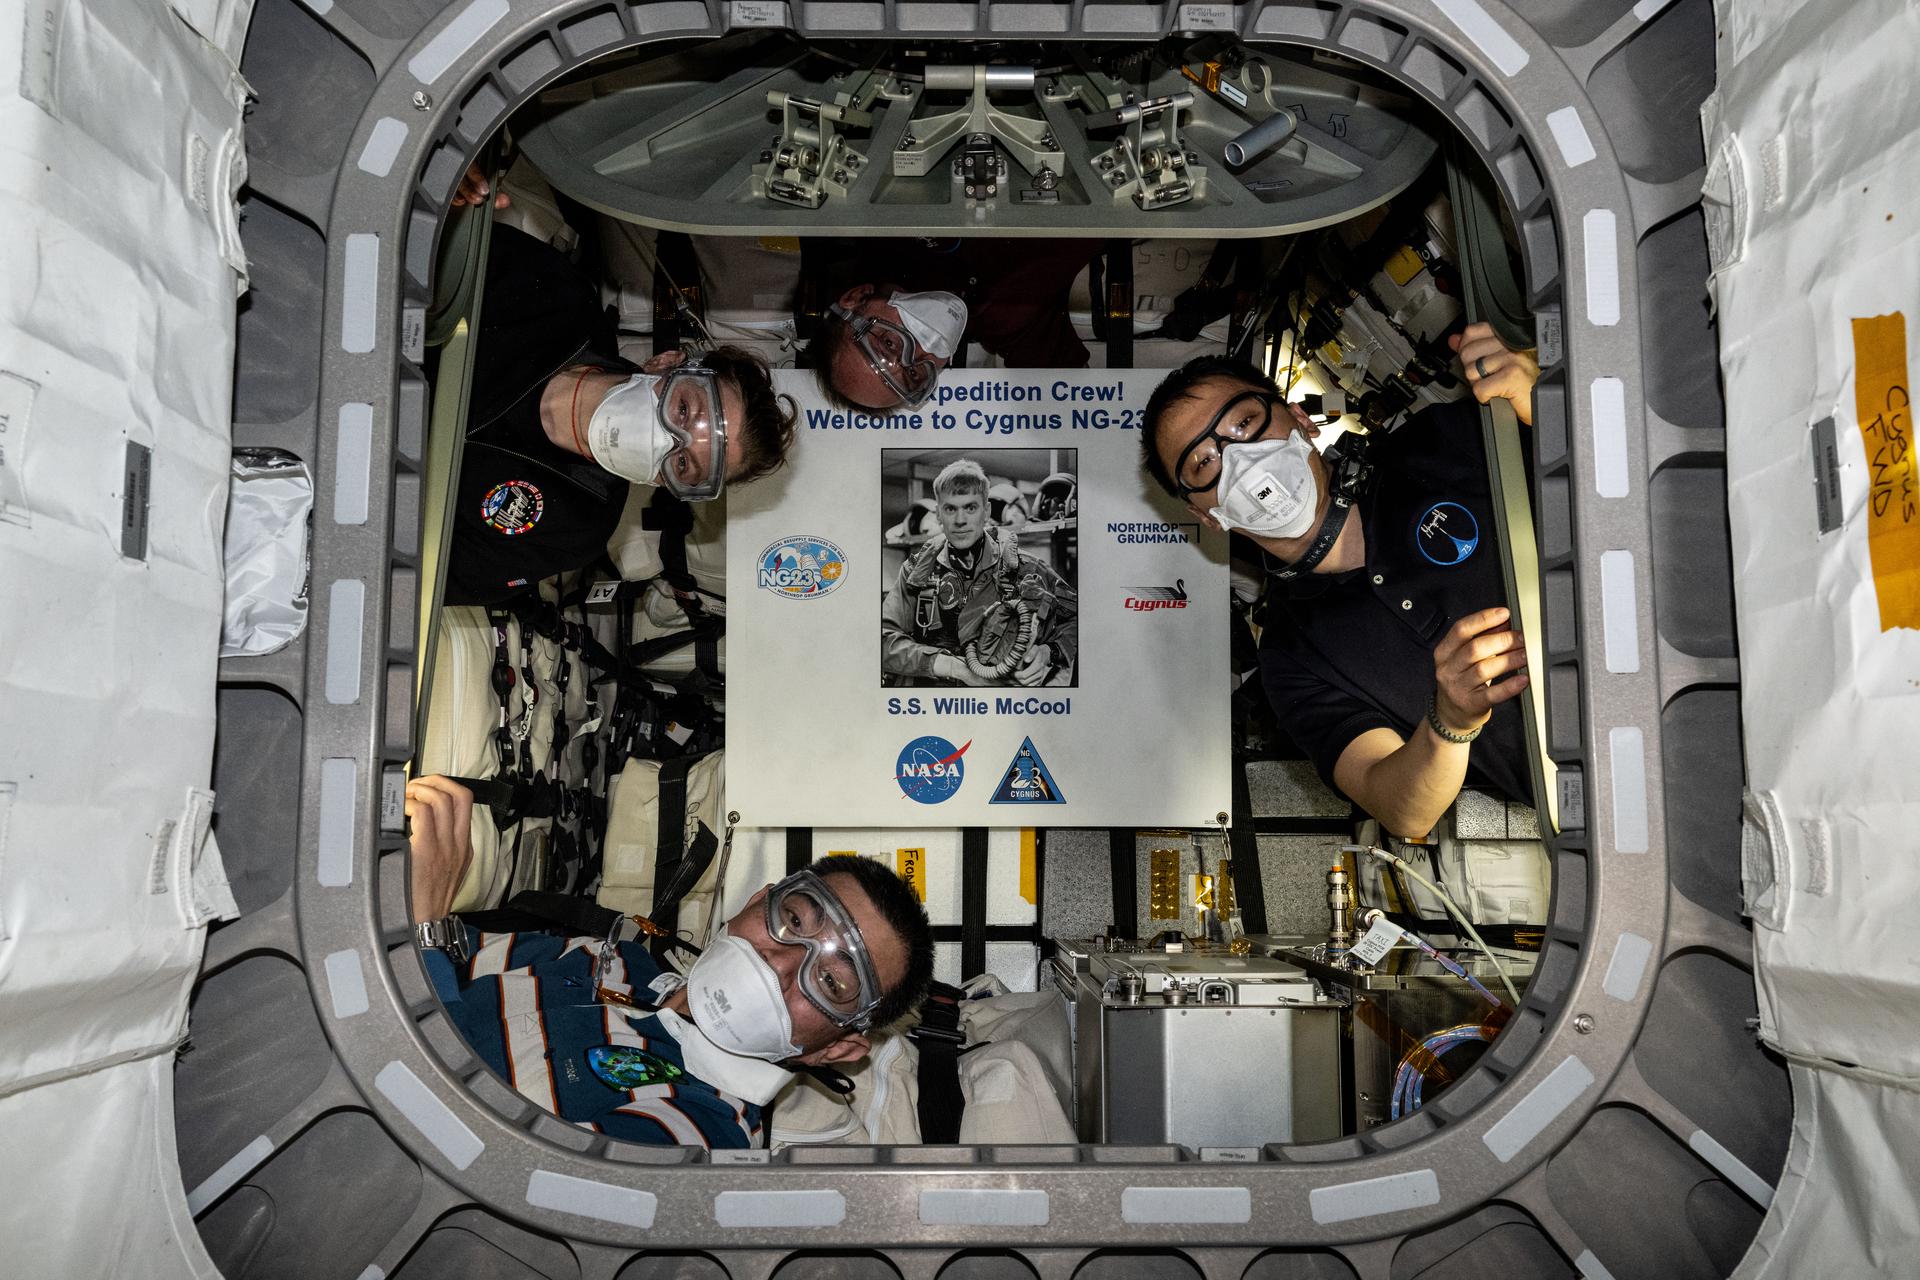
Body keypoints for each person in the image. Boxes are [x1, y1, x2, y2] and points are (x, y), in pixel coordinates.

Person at [1140, 322, 1542, 838]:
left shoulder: (1442, 440)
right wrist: (1451, 724)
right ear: (1209, 517)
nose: (1240, 460)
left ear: (1300, 419)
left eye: (1244, 422)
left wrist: (1536, 397)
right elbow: (1403, 810)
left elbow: (1604, 464)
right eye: (1204, 462)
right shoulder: (1291, 658)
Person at [404, 776, 935, 1149]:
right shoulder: (619, 963)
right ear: (756, 902)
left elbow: (464, 1168)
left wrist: (422, 927)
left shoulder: (699, 1136)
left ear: (837, 1048)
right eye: (795, 921)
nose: (781, 962)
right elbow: (460, 957)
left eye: (828, 980)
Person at [445, 221, 797, 605]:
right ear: (665, 363)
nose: (661, 438)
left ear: (664, 484)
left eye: (682, 463)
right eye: (683, 408)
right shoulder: (553, 297)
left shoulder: (576, 531)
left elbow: (423, 577)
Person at [809, 238, 1103, 412]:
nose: (924, 349)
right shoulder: (1008, 317)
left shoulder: (872, 234)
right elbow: (1067, 397)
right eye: (915, 372)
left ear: (855, 298)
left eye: (888, 343)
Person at [882, 459, 1076, 687]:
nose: (960, 520)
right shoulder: (916, 572)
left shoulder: (1028, 569)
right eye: (950, 508)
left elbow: (1077, 619)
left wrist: (1048, 653)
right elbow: (884, 641)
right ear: (938, 515)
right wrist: (956, 668)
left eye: (970, 507)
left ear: (986, 511)